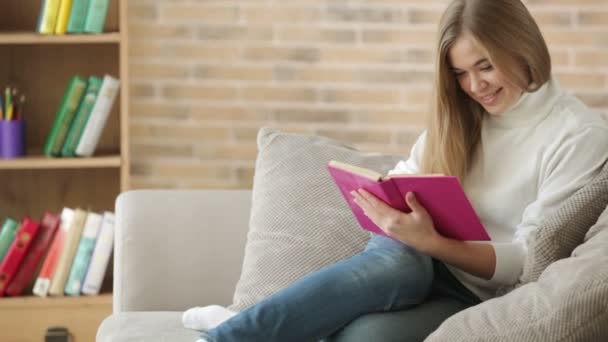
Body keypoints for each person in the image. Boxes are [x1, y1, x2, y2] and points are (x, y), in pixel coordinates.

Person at [184, 0, 608, 341]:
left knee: (368, 335)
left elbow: (523, 261)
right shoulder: (465, 115)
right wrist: (387, 208)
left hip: (472, 289)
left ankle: (252, 321)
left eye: (485, 66)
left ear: (522, 48)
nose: (475, 87)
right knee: (400, 265)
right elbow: (406, 173)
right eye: (460, 73)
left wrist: (433, 241)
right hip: (407, 257)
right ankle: (232, 335)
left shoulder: (576, 134)